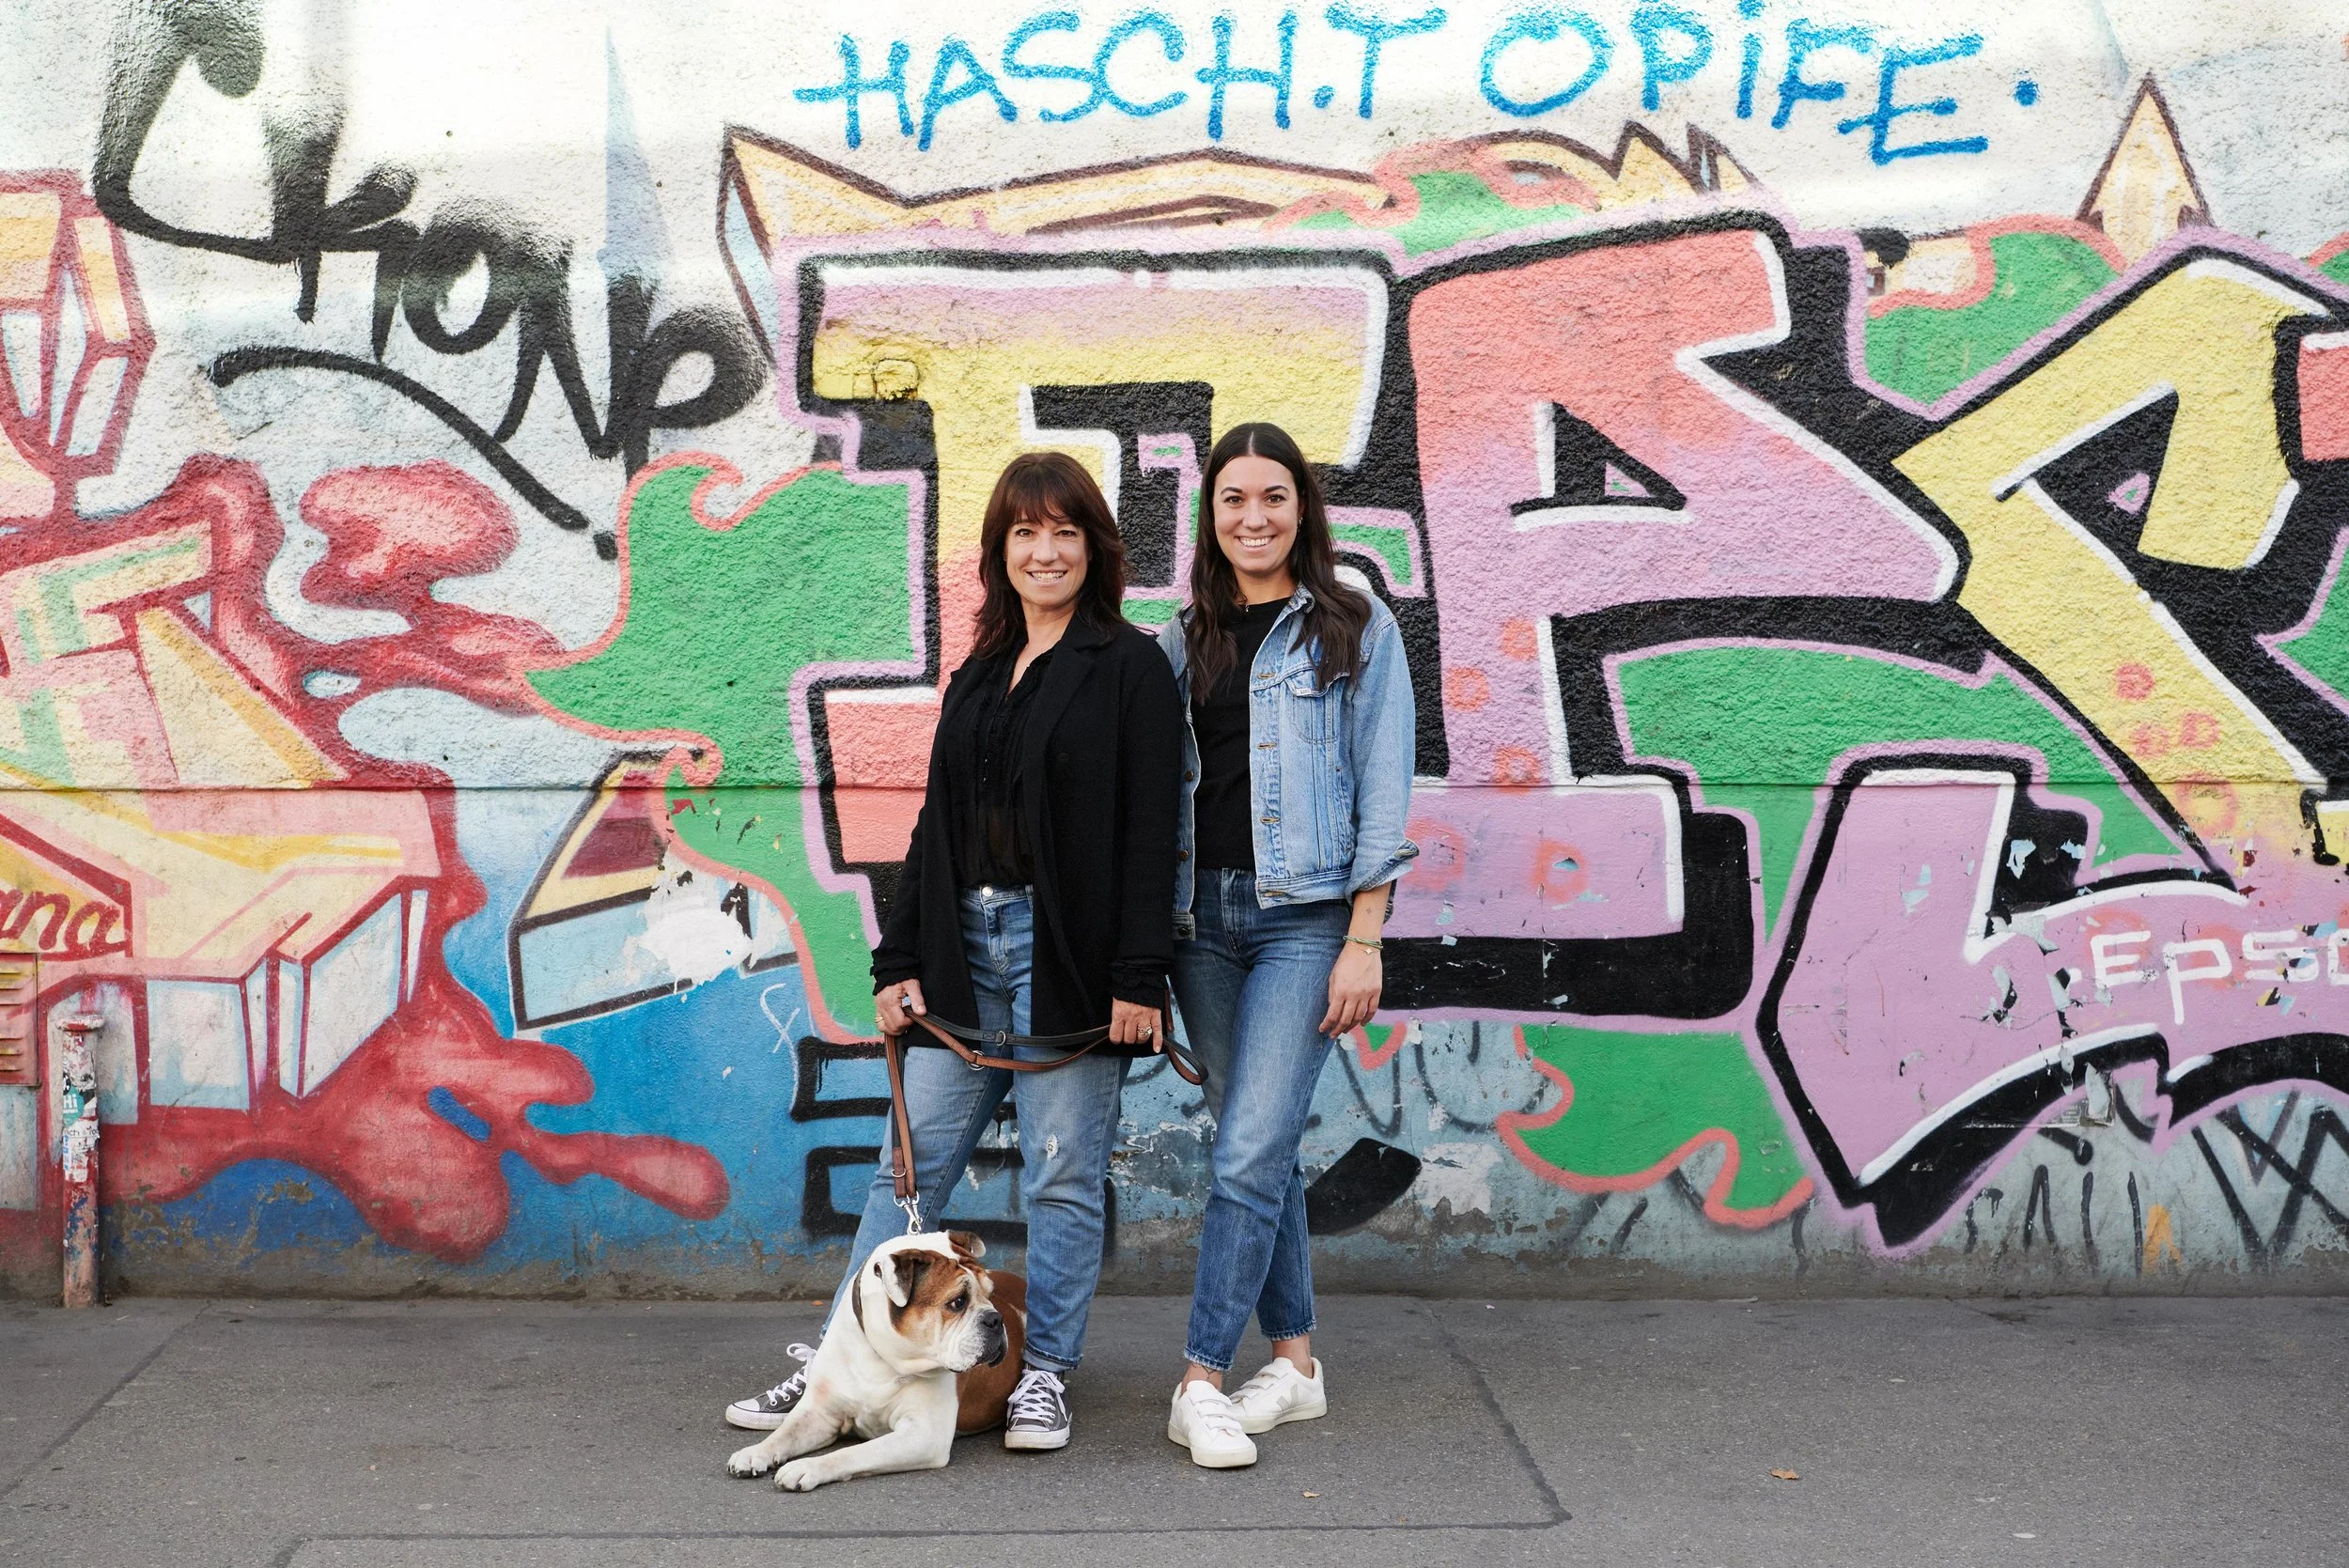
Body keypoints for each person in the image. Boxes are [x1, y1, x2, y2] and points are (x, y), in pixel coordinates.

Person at [724, 452, 1183, 1453]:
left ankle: (1044, 1375)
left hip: (1067, 956)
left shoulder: (1131, 667)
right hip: (964, 948)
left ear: (1093, 546)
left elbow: (1154, 830)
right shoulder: (980, 669)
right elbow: (936, 825)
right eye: (1025, 533)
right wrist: (897, 961)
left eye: (1064, 531)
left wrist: (1136, 977)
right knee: (910, 1172)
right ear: (1000, 551)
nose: (1044, 549)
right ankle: (838, 1379)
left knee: (1063, 1174)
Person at [1156, 423, 1417, 1467]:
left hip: (1304, 921)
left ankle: (1200, 1377)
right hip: (1196, 927)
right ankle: (1298, 1361)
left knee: (1250, 1147)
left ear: (1302, 509)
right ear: (1209, 516)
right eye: (1232, 500)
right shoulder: (1180, 640)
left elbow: (1384, 787)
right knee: (1252, 1148)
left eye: (1273, 497)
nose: (1253, 517)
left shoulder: (1355, 627)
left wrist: (1366, 936)